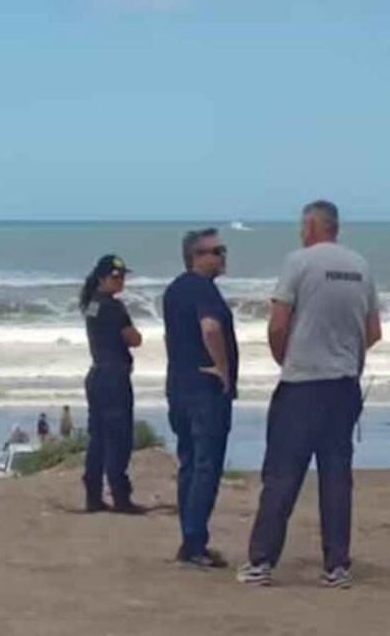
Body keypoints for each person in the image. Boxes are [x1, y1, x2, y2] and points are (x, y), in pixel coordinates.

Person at [236, 200, 382, 589]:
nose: (301, 233)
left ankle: (262, 561)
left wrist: (285, 358)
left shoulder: (298, 262)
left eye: (303, 226)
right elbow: (374, 331)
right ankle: (336, 566)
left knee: (282, 475)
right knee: (336, 477)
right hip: (343, 384)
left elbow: (277, 323)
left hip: (302, 385)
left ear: (314, 226)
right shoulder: (360, 266)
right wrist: (346, 353)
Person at [164, 227, 240, 568]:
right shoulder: (202, 288)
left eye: (223, 250)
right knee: (206, 466)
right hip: (204, 390)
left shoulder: (175, 289)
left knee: (190, 463)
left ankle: (190, 539)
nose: (222, 257)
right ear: (195, 256)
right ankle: (195, 543)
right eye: (216, 251)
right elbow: (210, 328)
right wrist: (222, 368)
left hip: (179, 387)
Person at [79, 254, 146, 514]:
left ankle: (93, 495)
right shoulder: (113, 307)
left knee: (98, 438)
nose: (121, 282)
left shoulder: (91, 305)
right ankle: (121, 496)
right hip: (114, 377)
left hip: (97, 374)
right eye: (116, 277)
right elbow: (134, 339)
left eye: (122, 277)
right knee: (119, 438)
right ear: (102, 278)